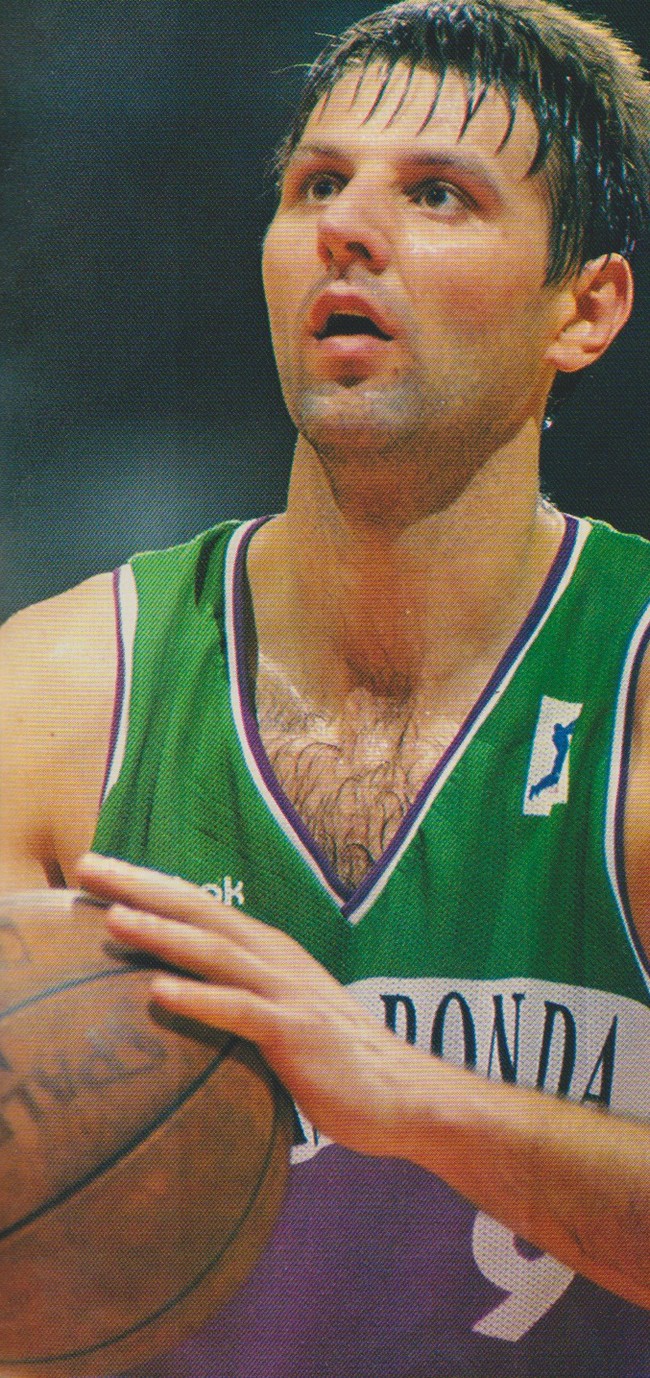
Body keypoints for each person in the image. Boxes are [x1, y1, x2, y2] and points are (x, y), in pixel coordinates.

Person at [1, 0, 650, 1372]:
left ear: (584, 308)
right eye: (315, 185)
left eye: (437, 193)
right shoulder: (52, 702)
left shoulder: (632, 688)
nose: (347, 227)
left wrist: (407, 1096)